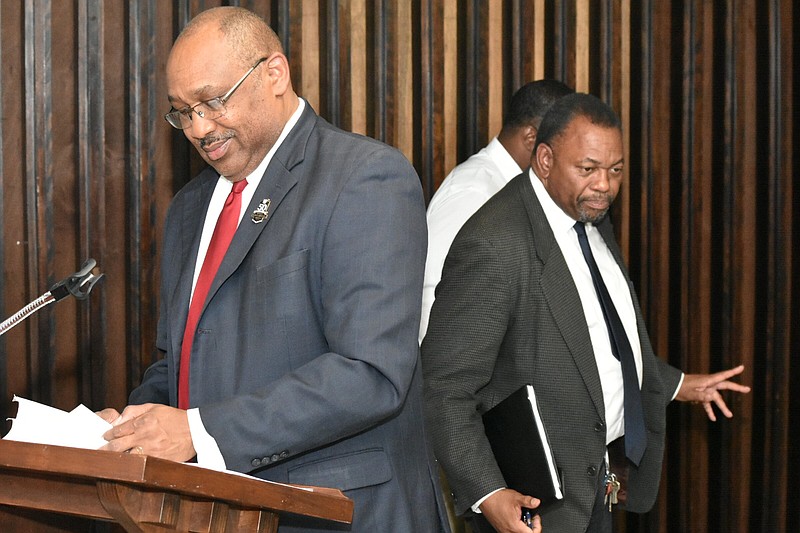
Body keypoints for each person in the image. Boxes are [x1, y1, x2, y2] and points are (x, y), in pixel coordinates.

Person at [97, 7, 449, 533]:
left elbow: (370, 373)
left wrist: (200, 430)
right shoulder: (189, 209)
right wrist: (133, 425)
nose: (199, 128)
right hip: (214, 512)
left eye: (213, 101)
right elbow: (182, 363)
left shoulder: (363, 178)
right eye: (182, 111)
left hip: (337, 514)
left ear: (275, 73)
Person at [421, 93, 750, 533]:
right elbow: (443, 387)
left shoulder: (589, 217)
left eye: (615, 170)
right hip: (532, 505)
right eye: (588, 168)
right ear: (544, 159)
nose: (605, 185)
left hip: (596, 484)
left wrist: (672, 383)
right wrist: (489, 495)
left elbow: (596, 333)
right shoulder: (494, 241)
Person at [420, 80, 573, 341]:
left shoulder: (520, 189)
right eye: (568, 147)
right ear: (531, 139)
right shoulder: (471, 194)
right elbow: (432, 304)